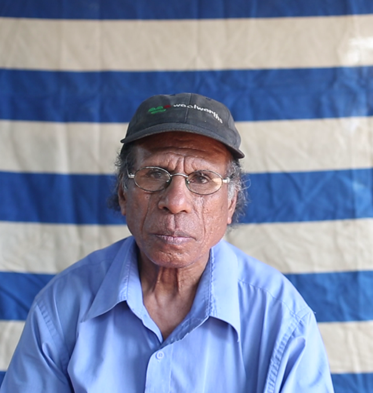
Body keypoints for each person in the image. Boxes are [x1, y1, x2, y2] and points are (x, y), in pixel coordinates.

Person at [1, 93, 335, 392]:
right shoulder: (62, 305)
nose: (175, 202)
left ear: (230, 204)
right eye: (155, 174)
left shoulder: (282, 318)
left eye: (202, 178)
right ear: (123, 194)